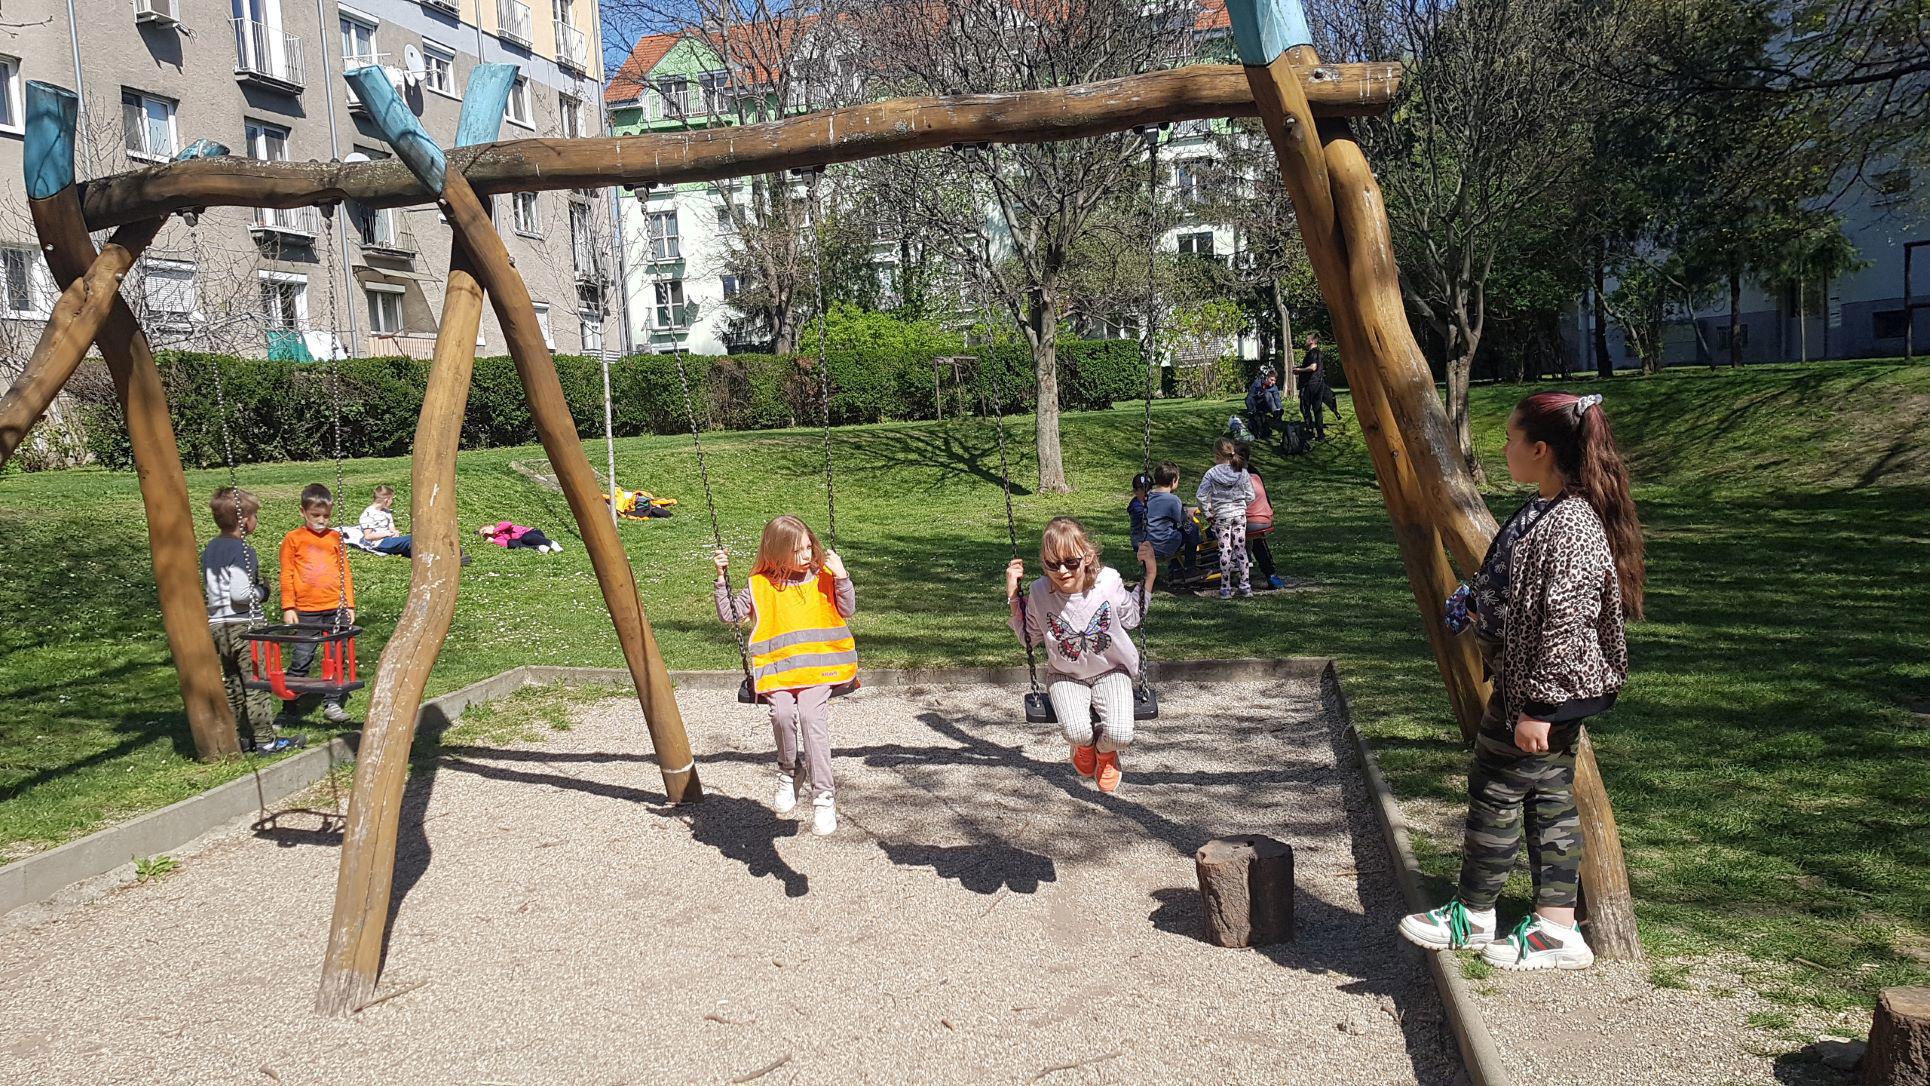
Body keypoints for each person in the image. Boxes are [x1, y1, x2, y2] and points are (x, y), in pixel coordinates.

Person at [1397, 392, 1643, 972]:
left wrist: (1538, 707)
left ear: (1541, 450)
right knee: (1550, 799)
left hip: (1540, 691)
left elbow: (1566, 622)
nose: (1503, 448)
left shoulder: (1572, 524)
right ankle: (1556, 928)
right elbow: (1519, 586)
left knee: (1495, 788)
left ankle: (1472, 914)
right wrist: (1478, 601)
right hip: (1535, 686)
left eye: (1511, 439)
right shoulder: (1546, 509)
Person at [715, 515, 857, 836]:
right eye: (797, 551)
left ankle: (823, 796)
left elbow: (847, 609)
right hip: (779, 671)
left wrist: (842, 576)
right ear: (777, 553)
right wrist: (721, 578)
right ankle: (790, 771)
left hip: (819, 668)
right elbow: (730, 615)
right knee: (780, 713)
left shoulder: (824, 576)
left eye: (808, 547)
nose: (806, 555)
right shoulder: (760, 584)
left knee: (809, 716)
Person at [1005, 518, 1156, 794]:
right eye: (1053, 565)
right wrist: (1014, 595)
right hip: (1066, 675)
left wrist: (1150, 575)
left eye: (1071, 562)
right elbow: (1029, 637)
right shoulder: (1040, 591)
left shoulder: (1107, 581)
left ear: (1087, 556)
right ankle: (1084, 746)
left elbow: (1132, 617)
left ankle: (1105, 751)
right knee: (1076, 732)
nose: (1062, 571)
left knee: (1121, 735)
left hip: (1111, 670)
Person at [201, 486, 302, 754]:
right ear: (244, 520)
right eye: (255, 515)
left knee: (234, 682)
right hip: (245, 625)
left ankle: (238, 736)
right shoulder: (242, 550)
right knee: (257, 682)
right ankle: (266, 740)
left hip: (218, 625)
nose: (256, 520)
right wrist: (263, 591)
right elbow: (240, 594)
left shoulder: (211, 548)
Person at [278, 483, 355, 725]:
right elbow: (287, 573)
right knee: (302, 655)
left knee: (336, 655)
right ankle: (289, 704)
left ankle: (332, 702)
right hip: (306, 609)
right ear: (303, 512)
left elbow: (345, 572)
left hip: (335, 607)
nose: (321, 520)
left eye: (326, 516)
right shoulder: (294, 538)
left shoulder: (335, 538)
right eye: (315, 515)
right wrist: (288, 606)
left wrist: (349, 604)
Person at [1196, 439, 1255, 599]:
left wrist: (1208, 513)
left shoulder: (1211, 473)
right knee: (1240, 549)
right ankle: (1245, 586)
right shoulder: (1242, 472)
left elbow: (1200, 496)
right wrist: (1242, 506)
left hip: (1221, 516)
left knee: (1225, 550)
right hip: (1239, 516)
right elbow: (1251, 495)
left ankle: (1225, 587)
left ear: (1217, 454)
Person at [1141, 462, 1199, 580]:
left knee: (1172, 530)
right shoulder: (1173, 500)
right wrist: (1188, 516)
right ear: (1173, 481)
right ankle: (1190, 568)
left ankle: (1175, 570)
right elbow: (1185, 524)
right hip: (1163, 546)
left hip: (1148, 545)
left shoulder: (1148, 496)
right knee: (1192, 529)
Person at [1242, 453, 1288, 591]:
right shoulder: (1254, 473)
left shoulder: (1236, 475)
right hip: (1264, 518)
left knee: (1215, 532)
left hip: (1248, 520)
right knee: (1256, 539)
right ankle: (1270, 573)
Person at [1293, 335, 1338, 441]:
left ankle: (1310, 432)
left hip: (1310, 385)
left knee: (1305, 408)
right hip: (1318, 384)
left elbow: (1313, 367)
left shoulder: (1313, 353)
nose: (1305, 340)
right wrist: (1300, 368)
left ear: (1312, 341)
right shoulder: (1317, 353)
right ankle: (1320, 434)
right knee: (1317, 409)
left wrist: (1299, 370)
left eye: (1307, 339)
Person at [355, 485, 412, 557]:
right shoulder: (368, 514)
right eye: (392, 499)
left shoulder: (386, 512)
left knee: (413, 539)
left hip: (390, 540)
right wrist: (386, 534)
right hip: (379, 543)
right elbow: (368, 536)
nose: (392, 502)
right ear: (386, 500)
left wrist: (395, 532)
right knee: (411, 539)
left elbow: (392, 527)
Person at [478, 521, 565, 553]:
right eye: (483, 534)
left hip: (532, 533)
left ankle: (551, 543)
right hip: (521, 540)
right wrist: (493, 541)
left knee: (526, 538)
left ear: (490, 526)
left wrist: (494, 531)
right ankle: (538, 547)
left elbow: (508, 524)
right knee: (511, 543)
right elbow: (506, 544)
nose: (485, 533)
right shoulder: (497, 538)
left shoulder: (500, 525)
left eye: (484, 530)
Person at [1245, 367, 1275, 442]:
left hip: (1265, 405)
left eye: (1274, 380)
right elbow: (1250, 396)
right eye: (1271, 380)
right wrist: (1251, 410)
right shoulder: (1257, 383)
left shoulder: (1273, 387)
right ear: (1266, 378)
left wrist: (1277, 410)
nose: (1273, 382)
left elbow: (1277, 398)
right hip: (1256, 404)